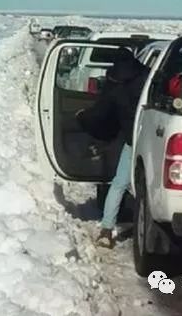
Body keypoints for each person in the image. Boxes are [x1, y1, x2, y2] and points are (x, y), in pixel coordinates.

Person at [75, 48, 150, 248]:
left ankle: (107, 231)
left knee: (118, 185)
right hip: (154, 141)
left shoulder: (114, 85)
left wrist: (82, 118)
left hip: (132, 141)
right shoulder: (149, 76)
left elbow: (101, 114)